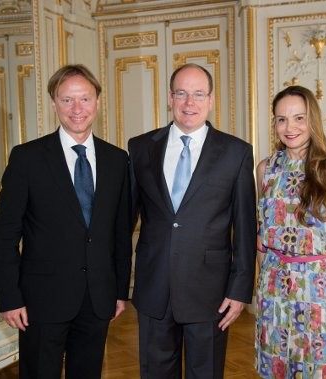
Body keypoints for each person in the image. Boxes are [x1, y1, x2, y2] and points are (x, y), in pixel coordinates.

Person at [0, 64, 132, 379]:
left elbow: (120, 233)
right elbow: (5, 237)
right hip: (40, 301)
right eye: (67, 100)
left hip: (97, 298)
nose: (77, 109)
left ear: (98, 102)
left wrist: (120, 290)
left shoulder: (117, 160)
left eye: (84, 99)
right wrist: (10, 297)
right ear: (54, 104)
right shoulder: (26, 158)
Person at [128, 63, 257, 378]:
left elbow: (244, 229)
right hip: (154, 289)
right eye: (182, 93)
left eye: (198, 94)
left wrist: (239, 291)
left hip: (210, 293)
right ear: (170, 98)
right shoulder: (140, 148)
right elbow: (123, 224)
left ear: (211, 100)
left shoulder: (236, 153)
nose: (190, 103)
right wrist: (119, 287)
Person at [254, 85, 326, 378]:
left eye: (299, 118)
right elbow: (262, 239)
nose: (290, 127)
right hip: (275, 293)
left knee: (322, 369)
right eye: (281, 119)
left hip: (322, 293)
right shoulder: (265, 170)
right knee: (278, 367)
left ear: (312, 119)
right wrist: (261, 292)